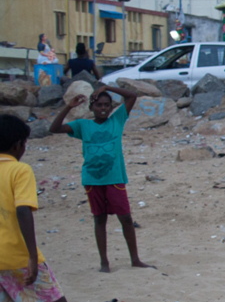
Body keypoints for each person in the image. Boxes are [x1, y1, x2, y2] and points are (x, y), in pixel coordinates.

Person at [0, 114, 69, 302]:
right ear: (18, 145)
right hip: (15, 256)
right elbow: (23, 209)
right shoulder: (19, 170)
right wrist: (31, 257)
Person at [49, 83, 152, 273]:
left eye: (106, 105)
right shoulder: (82, 125)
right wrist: (69, 107)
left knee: (126, 218)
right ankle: (104, 262)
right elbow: (54, 128)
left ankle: (135, 259)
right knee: (99, 219)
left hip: (115, 178)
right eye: (99, 105)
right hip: (92, 179)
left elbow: (132, 96)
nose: (103, 108)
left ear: (111, 108)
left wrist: (107, 87)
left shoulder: (117, 120)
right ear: (91, 108)